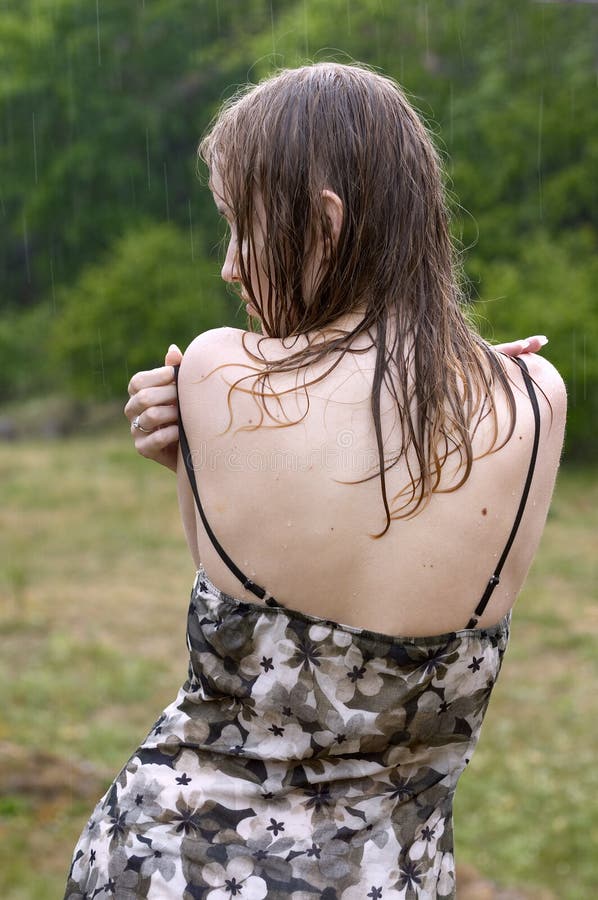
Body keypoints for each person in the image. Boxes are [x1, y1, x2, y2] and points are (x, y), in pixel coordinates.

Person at [65, 63, 566, 899]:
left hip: (166, 865)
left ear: (325, 222)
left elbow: (229, 593)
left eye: (241, 228)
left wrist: (196, 454)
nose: (229, 267)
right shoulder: (536, 396)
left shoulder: (217, 369)